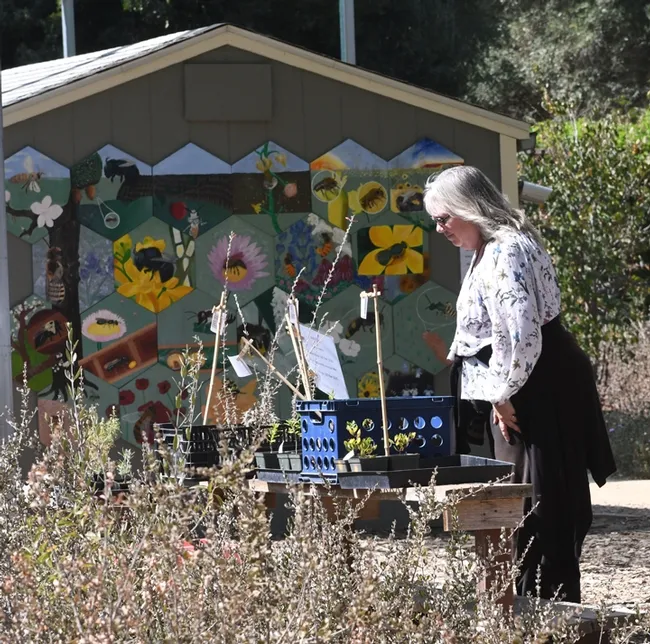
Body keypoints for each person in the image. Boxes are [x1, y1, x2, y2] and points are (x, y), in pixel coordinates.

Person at [423, 165, 616, 603]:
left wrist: (501, 394)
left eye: (443, 218)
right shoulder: (490, 248)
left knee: (540, 503)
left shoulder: (507, 249)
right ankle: (525, 605)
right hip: (522, 382)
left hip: (536, 384)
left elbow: (522, 332)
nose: (440, 229)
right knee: (522, 500)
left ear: (469, 208)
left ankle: (548, 611)